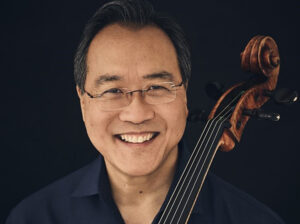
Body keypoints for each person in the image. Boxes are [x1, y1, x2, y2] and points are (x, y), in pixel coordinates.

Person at [6, 0, 285, 223]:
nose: (137, 114)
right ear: (83, 102)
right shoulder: (34, 217)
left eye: (157, 87)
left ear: (184, 95)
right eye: (113, 91)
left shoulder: (252, 219)